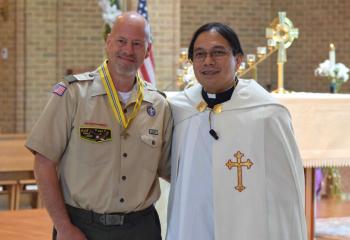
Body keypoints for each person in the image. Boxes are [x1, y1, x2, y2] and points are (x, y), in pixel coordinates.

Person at [25, 12, 172, 240]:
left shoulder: (159, 105)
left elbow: (172, 169)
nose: (128, 50)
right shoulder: (73, 94)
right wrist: (63, 227)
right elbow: (44, 161)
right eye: (121, 41)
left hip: (141, 229)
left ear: (148, 50)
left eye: (137, 44)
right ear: (108, 42)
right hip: (82, 228)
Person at [166, 22, 307, 240]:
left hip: (250, 226)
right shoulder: (181, 110)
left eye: (218, 53)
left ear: (238, 59)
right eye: (200, 54)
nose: (208, 61)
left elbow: (285, 194)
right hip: (193, 223)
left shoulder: (267, 114)